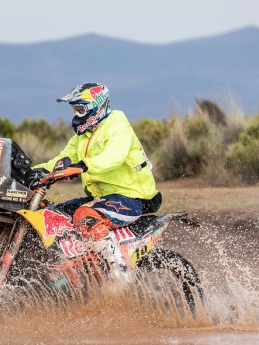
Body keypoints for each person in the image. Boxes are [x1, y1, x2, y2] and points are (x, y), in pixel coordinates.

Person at [30, 82, 161, 281]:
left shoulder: (117, 124)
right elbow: (62, 159)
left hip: (132, 197)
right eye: (75, 109)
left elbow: (114, 156)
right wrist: (33, 172)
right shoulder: (83, 135)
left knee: (85, 215)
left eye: (81, 109)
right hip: (103, 197)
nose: (76, 114)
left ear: (96, 107)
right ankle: (77, 272)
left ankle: (119, 274)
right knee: (54, 215)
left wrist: (83, 166)